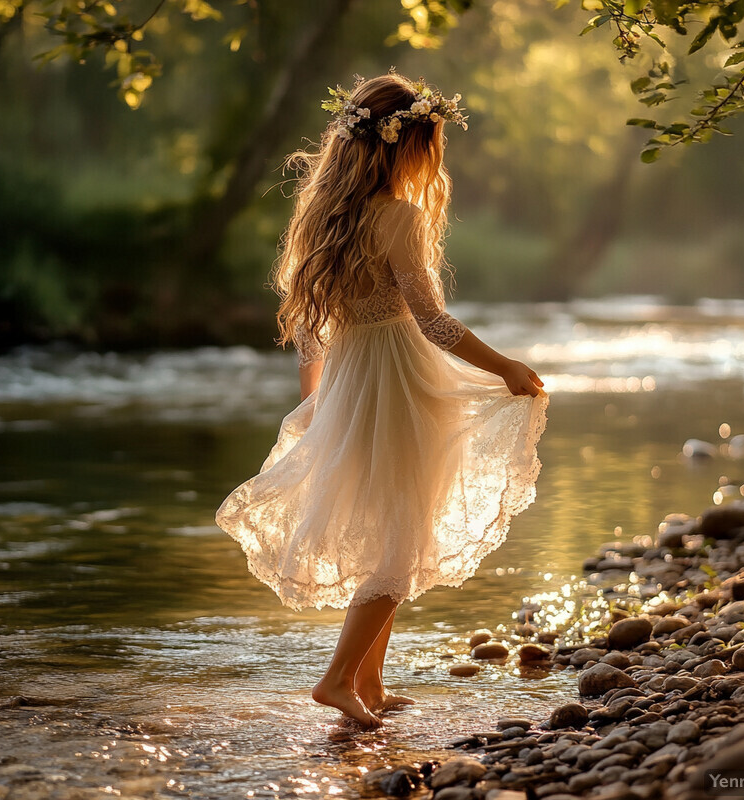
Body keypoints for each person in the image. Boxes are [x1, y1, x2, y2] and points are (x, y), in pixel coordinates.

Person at [215, 70, 549, 729]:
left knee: (388, 529)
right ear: (403, 146)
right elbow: (433, 322)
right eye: (429, 145)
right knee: (399, 536)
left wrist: (316, 400)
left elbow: (314, 330)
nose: (432, 159)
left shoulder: (324, 216)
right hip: (398, 382)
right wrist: (504, 365)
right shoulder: (398, 215)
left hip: (352, 380)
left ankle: (369, 680)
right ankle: (337, 679)